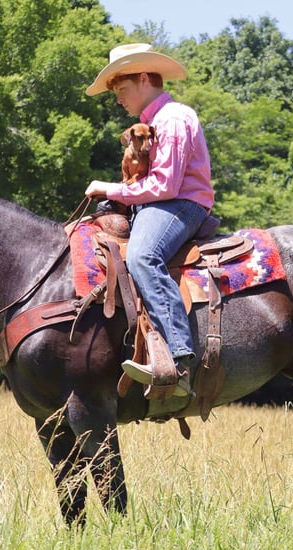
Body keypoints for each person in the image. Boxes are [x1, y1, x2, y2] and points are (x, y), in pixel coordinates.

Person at [84, 43, 215, 398]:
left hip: (179, 204)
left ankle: (178, 358)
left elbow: (165, 185)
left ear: (144, 79)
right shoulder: (152, 124)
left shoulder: (171, 119)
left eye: (122, 90)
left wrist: (109, 189)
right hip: (158, 204)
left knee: (143, 256)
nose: (118, 100)